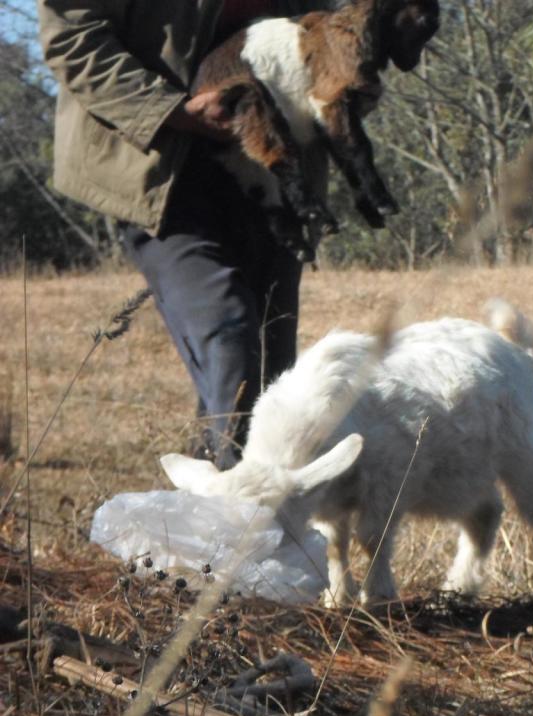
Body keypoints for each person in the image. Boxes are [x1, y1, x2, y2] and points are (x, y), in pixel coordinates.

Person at [37, 0, 330, 468]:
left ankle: (226, 511)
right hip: (160, 170)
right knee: (230, 336)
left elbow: (333, 33)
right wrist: (175, 111)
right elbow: (72, 38)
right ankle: (237, 518)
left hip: (272, 175)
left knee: (273, 373)